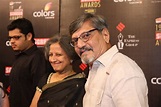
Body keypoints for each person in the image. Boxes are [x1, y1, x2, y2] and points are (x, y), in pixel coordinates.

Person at [69, 13, 149, 107]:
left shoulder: (123, 70)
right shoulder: (95, 67)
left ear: (105, 35)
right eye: (75, 41)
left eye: (86, 36)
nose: (80, 45)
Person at [30, 34, 86, 107]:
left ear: (70, 57)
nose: (53, 59)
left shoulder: (80, 83)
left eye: (58, 55)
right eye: (50, 55)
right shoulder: (46, 79)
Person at [7, 18, 53, 107]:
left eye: (16, 37)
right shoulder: (20, 56)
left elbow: (41, 92)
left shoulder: (38, 58)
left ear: (28, 36)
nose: (12, 41)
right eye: (10, 38)